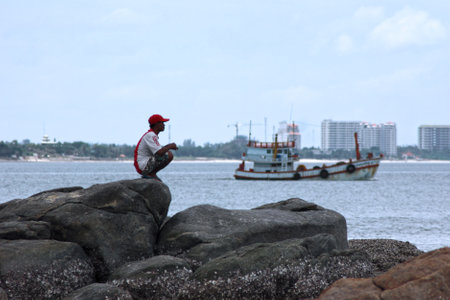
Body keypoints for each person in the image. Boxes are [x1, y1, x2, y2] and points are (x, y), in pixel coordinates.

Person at [134, 114, 178, 181]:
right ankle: (151, 174)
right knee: (169, 155)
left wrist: (169, 146)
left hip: (144, 165)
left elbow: (159, 150)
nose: (164, 125)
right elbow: (160, 152)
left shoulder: (151, 135)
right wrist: (170, 146)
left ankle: (152, 174)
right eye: (162, 122)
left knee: (167, 153)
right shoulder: (151, 135)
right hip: (142, 166)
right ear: (156, 124)